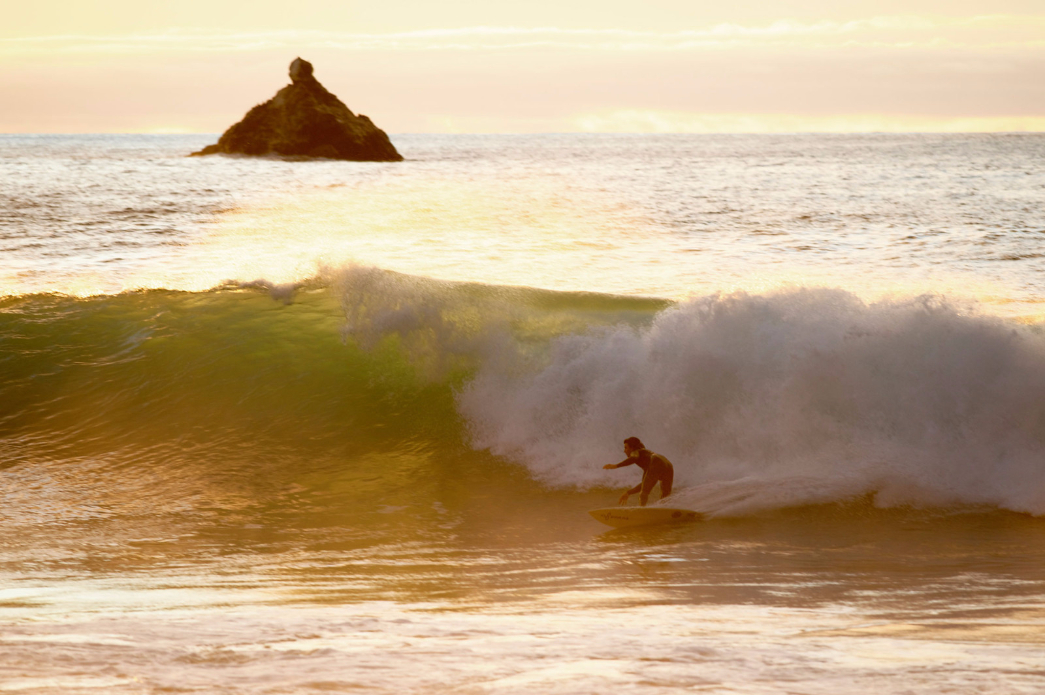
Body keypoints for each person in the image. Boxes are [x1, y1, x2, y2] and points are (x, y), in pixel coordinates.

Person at [603, 436, 674, 506]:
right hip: (667, 464)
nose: (624, 451)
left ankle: (642, 510)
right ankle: (665, 509)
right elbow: (644, 484)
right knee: (665, 494)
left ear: (632, 448)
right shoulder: (647, 460)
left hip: (656, 460)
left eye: (626, 448)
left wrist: (616, 466)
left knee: (644, 493)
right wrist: (628, 493)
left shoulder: (635, 452)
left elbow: (633, 458)